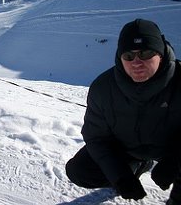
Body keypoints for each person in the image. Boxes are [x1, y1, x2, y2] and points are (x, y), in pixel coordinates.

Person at [66, 19, 181, 204]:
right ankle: (138, 166)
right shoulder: (103, 88)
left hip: (170, 150)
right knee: (79, 170)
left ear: (160, 53)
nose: (137, 62)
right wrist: (120, 176)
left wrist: (174, 161)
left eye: (145, 53)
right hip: (127, 148)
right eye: (128, 55)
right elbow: (96, 138)